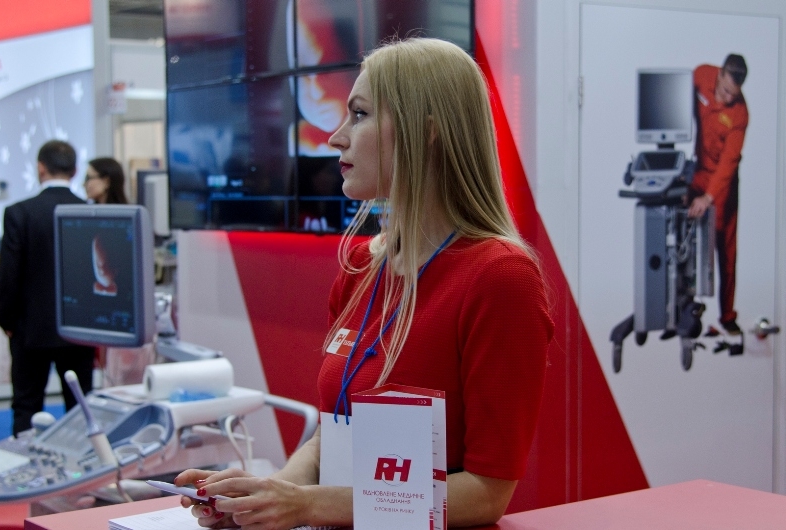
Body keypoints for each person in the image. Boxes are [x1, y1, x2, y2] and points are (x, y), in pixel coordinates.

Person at [174, 38, 554, 529]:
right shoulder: (362, 265)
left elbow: (486, 493)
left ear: (427, 130)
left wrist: (307, 505)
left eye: (359, 114)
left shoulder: (500, 278)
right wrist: (267, 501)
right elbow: (329, 438)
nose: (335, 138)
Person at [0, 140, 95, 436]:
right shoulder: (90, 212)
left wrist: (7, 320)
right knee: (81, 409)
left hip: (30, 328)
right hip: (80, 327)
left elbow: (9, 274)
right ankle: (85, 463)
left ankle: (24, 464)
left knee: (26, 407)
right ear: (75, 171)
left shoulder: (20, 213)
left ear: (40, 168)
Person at [687, 54, 749, 335]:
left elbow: (728, 162)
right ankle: (684, 307)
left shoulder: (740, 114)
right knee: (682, 234)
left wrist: (708, 197)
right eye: (724, 91)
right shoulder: (701, 75)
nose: (726, 99)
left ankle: (727, 316)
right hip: (697, 171)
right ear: (720, 74)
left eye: (732, 95)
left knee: (725, 249)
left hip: (722, 184)